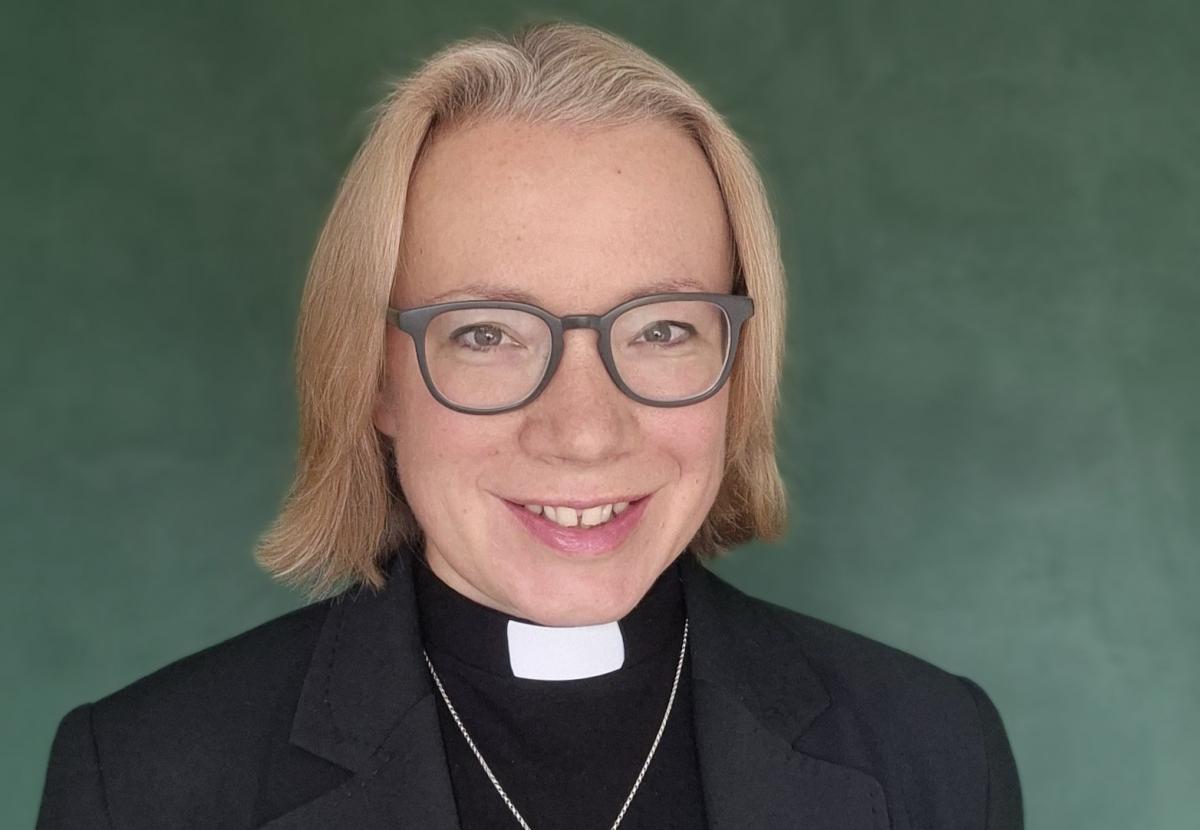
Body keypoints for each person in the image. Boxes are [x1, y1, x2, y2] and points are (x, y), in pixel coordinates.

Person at [36, 20, 1023, 830]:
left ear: (738, 365)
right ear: (375, 379)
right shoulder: (144, 781)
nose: (585, 431)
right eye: (488, 334)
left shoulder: (932, 751)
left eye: (663, 328)